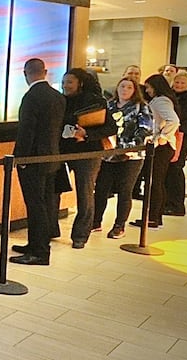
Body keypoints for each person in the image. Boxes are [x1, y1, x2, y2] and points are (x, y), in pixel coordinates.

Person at [10, 58, 65, 266]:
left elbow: (27, 131)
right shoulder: (57, 97)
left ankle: (39, 252)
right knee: (44, 204)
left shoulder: (31, 97)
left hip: (33, 160)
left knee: (36, 205)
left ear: (26, 74)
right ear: (45, 72)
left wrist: (20, 158)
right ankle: (35, 244)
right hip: (52, 158)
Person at [57, 68, 115, 249]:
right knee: (54, 189)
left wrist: (87, 134)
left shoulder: (96, 101)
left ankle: (81, 235)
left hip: (88, 153)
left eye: (70, 82)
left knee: (85, 193)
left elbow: (111, 128)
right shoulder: (60, 100)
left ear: (80, 83)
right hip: (62, 151)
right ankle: (51, 229)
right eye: (64, 82)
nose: (65, 85)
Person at [93, 78, 152, 239]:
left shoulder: (141, 107)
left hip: (131, 155)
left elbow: (145, 129)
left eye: (129, 87)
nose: (125, 90)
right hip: (108, 154)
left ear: (134, 90)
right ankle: (95, 221)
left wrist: (129, 147)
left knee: (125, 190)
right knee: (101, 188)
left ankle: (119, 225)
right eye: (122, 86)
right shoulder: (109, 106)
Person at [129, 74, 179, 230]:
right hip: (161, 146)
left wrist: (163, 136)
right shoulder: (161, 100)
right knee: (156, 182)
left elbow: (174, 120)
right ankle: (155, 217)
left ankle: (152, 218)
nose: (148, 90)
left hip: (161, 148)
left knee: (154, 182)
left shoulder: (161, 100)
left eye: (149, 87)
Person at [164, 69, 187, 217]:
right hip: (169, 135)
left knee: (175, 169)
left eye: (182, 82)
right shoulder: (170, 97)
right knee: (167, 170)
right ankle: (167, 202)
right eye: (177, 82)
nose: (179, 85)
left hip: (182, 135)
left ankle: (176, 205)